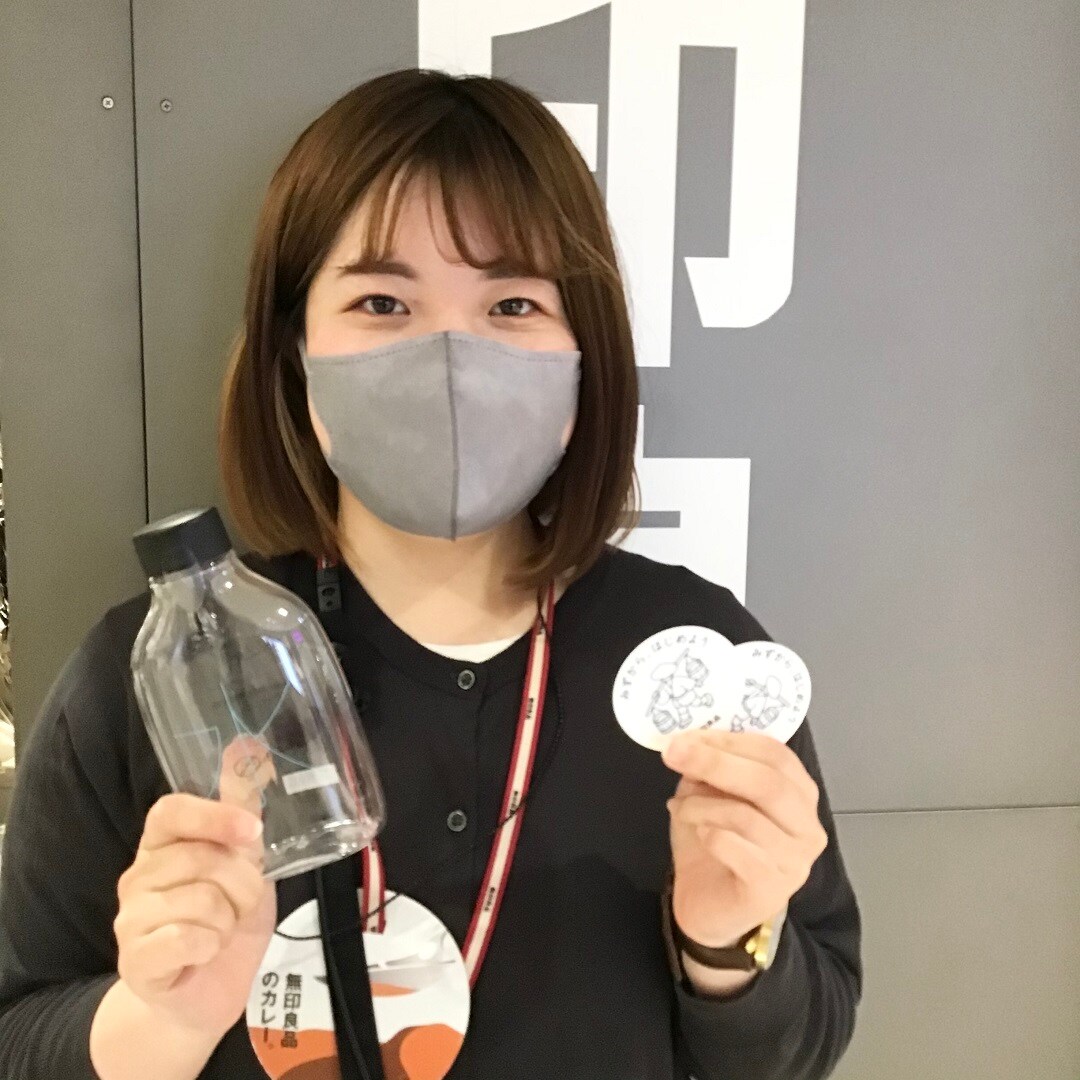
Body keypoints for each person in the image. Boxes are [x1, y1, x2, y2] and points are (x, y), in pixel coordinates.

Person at [0, 68, 861, 1080]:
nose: (451, 358)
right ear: (294, 352)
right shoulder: (160, 668)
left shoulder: (694, 662)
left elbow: (804, 1042)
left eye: (512, 302)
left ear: (584, 359)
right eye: (382, 301)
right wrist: (162, 1020)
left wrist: (724, 944)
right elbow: (20, 1030)